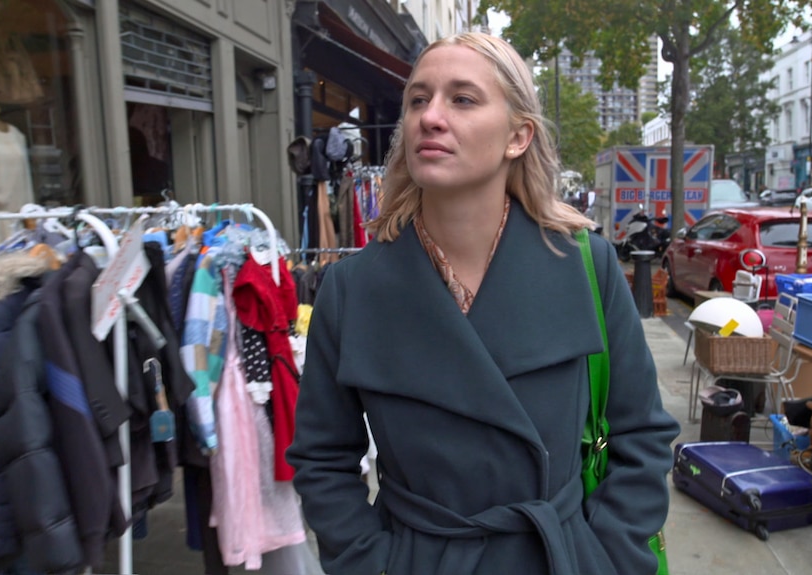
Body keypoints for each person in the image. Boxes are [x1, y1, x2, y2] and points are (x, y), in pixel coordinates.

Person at [286, 32, 680, 575]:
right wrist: (370, 563)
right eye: (418, 100)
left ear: (518, 136)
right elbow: (322, 458)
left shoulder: (587, 265)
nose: (430, 116)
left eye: (462, 99)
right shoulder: (351, 288)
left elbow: (641, 435)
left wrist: (610, 556)